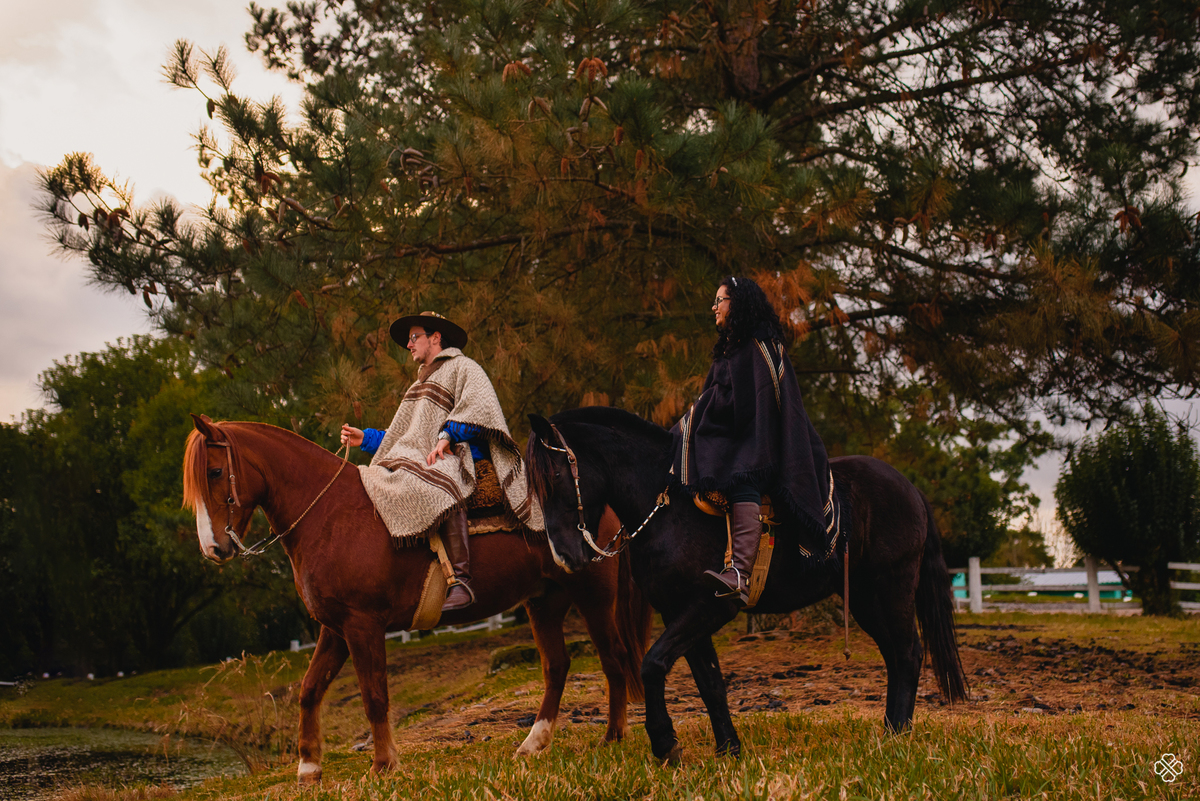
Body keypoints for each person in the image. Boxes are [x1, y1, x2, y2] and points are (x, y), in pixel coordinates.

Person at [342, 312, 543, 613]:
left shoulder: (464, 367)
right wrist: (367, 438)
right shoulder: (418, 385)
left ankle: (460, 580)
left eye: (414, 337)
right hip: (427, 455)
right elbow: (407, 435)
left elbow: (480, 410)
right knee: (384, 478)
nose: (408, 345)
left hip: (463, 455)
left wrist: (448, 434)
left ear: (435, 337)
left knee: (442, 481)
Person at [672, 277, 832, 604]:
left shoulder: (762, 346)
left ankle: (740, 574)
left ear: (739, 303)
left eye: (721, 300)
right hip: (733, 432)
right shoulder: (731, 349)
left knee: (741, 475)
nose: (714, 307)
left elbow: (766, 402)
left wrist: (711, 408)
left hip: (765, 437)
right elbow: (718, 396)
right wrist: (701, 411)